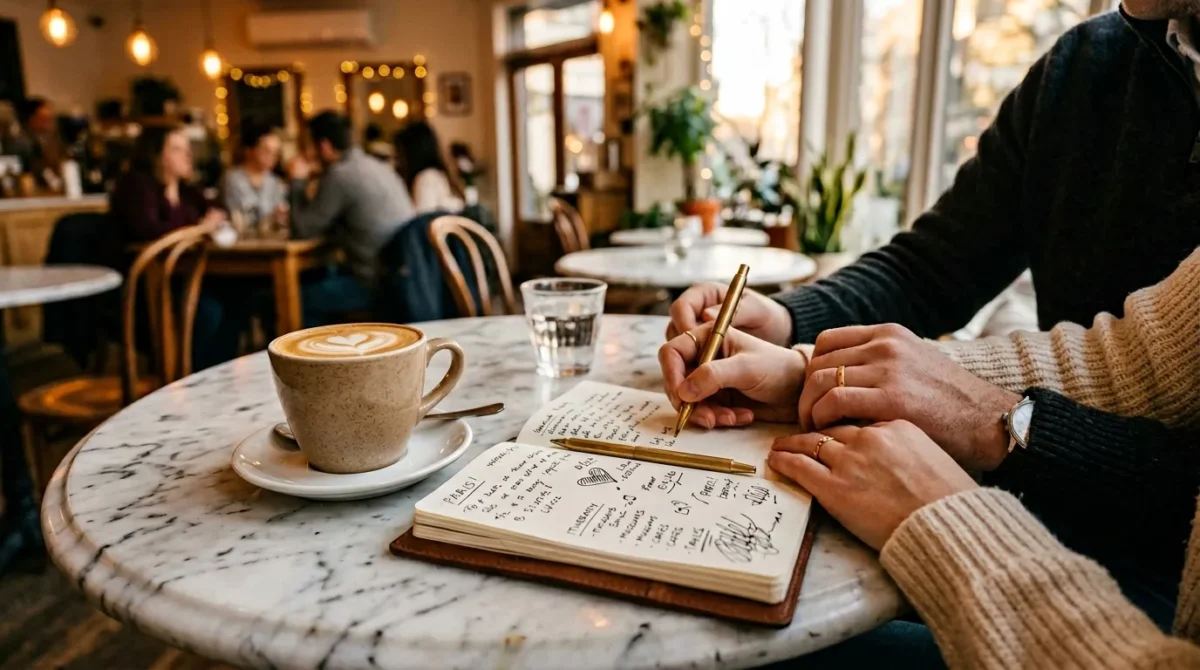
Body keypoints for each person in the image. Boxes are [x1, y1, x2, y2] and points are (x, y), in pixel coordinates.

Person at [662, 0, 1200, 619]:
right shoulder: (1085, 67)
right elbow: (940, 270)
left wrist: (1003, 433)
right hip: (1033, 497)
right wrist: (795, 335)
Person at [107, 125, 247, 371]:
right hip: (147, 284)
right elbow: (146, 229)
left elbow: (216, 212)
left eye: (187, 149)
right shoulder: (137, 185)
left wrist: (211, 221)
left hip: (185, 276)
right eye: (177, 149)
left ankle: (218, 377)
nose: (188, 155)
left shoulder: (186, 189)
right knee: (209, 311)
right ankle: (186, 377)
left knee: (240, 296)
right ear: (156, 155)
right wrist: (200, 226)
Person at [287, 111, 414, 325]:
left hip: (375, 283)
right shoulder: (378, 166)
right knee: (321, 276)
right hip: (403, 276)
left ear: (325, 146)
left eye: (309, 146)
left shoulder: (340, 175)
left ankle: (310, 357)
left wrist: (297, 182)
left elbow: (303, 229)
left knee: (297, 298)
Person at [222, 123, 287, 227]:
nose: (271, 158)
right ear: (249, 151)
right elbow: (237, 216)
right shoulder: (233, 179)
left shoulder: (276, 183)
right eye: (266, 151)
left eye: (275, 153)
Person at [394, 121, 464, 214]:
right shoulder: (438, 175)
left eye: (400, 152)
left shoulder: (426, 178)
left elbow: (422, 221)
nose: (397, 158)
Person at [13, 98, 63, 191]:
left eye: (50, 118)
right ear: (31, 118)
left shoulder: (55, 139)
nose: (49, 123)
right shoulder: (23, 143)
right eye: (44, 119)